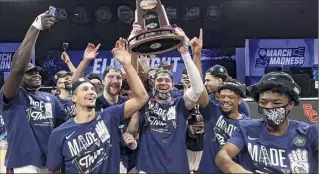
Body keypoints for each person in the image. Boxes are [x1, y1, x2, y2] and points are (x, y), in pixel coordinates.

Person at [46, 38, 149, 173]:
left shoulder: (110, 115)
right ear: (73, 98)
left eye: (92, 89)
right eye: (85, 89)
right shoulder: (59, 134)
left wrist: (127, 64)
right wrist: (85, 60)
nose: (90, 92)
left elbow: (142, 97)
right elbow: (52, 170)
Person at [0, 10, 68, 173]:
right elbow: (18, 69)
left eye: (37, 71)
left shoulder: (50, 99)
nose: (36, 74)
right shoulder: (13, 96)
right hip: (23, 164)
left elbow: (66, 124)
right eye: (30, 72)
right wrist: (35, 28)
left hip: (49, 163)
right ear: (21, 77)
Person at [215, 72, 318, 173]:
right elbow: (222, 156)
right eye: (263, 102)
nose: (268, 107)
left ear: (290, 104)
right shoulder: (246, 129)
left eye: (276, 103)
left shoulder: (309, 133)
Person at [136, 28, 204, 173]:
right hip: (148, 167)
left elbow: (198, 89)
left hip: (176, 167)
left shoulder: (180, 104)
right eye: (159, 80)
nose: (163, 83)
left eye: (167, 80)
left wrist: (186, 54)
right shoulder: (144, 102)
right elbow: (138, 76)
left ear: (173, 86)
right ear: (153, 84)